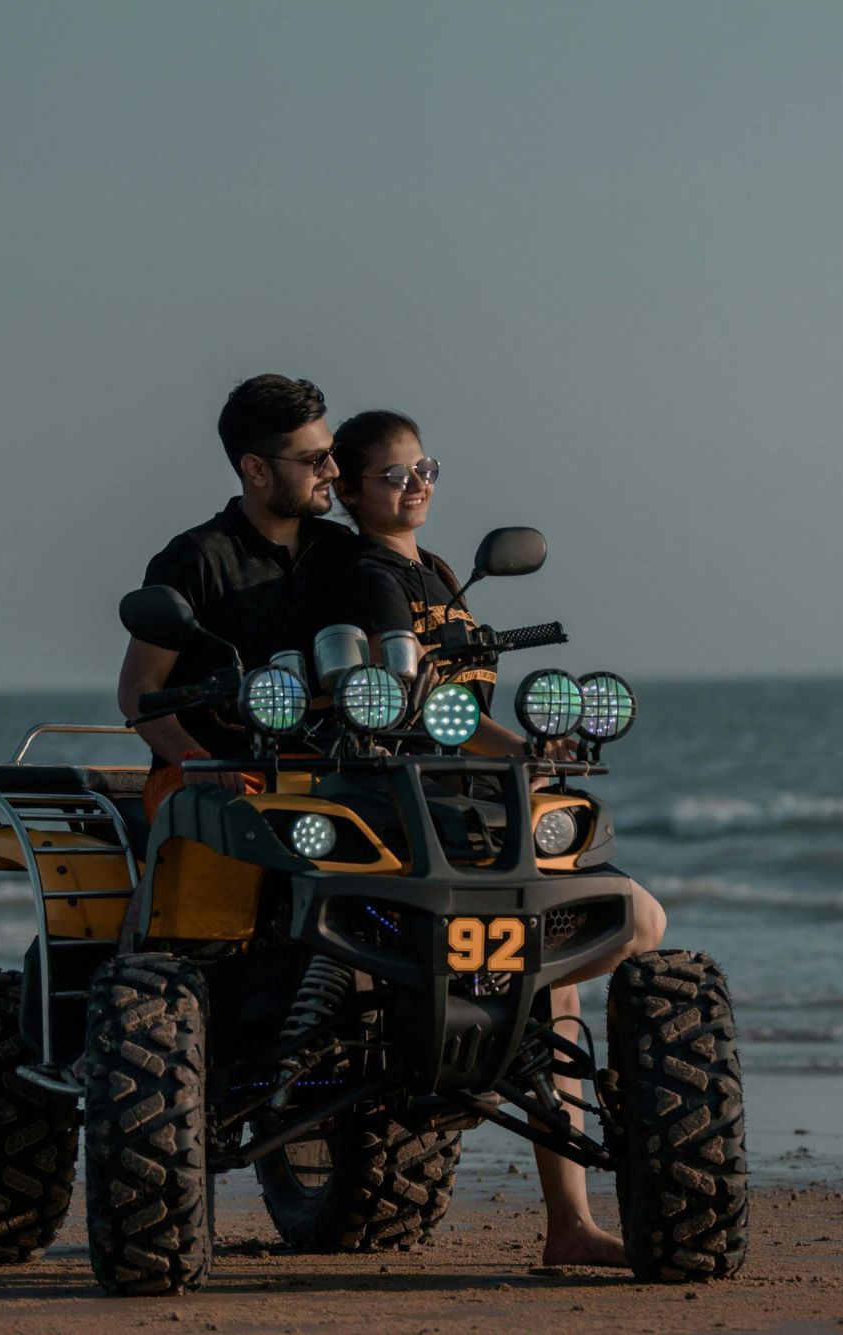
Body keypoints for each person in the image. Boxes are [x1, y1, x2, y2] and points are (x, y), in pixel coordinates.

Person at [329, 408, 667, 1268]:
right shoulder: (369, 576)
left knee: (583, 961)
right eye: (395, 474)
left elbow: (460, 715)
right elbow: (414, 707)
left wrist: (528, 756)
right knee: (626, 923)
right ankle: (509, 1060)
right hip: (424, 823)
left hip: (477, 811)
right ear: (349, 490)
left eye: (425, 467)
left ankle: (570, 1222)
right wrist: (513, 751)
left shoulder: (438, 571)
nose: (418, 484)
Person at [117, 373, 354, 824]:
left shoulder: (342, 550)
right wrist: (197, 761)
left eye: (332, 453)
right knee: (230, 836)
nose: (333, 471)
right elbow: (136, 691)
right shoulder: (195, 558)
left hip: (327, 772)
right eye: (314, 459)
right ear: (257, 469)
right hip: (209, 776)